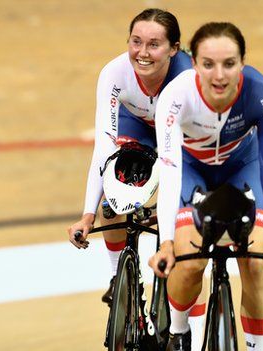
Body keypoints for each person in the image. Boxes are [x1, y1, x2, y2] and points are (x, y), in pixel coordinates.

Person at [148, 22, 263, 351]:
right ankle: (179, 332)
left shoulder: (261, 93)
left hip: (242, 170)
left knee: (255, 263)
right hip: (191, 170)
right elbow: (170, 169)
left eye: (229, 64)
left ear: (242, 63)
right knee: (190, 264)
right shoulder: (176, 97)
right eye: (208, 64)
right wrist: (166, 242)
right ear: (194, 64)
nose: (219, 75)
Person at [66, 8, 192, 305]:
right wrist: (88, 212)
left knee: (181, 210)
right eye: (136, 42)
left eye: (153, 44)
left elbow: (181, 160)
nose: (143, 53)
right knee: (113, 202)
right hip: (134, 126)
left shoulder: (187, 79)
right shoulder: (114, 73)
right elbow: (104, 147)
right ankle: (117, 276)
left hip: (178, 134)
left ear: (174, 49)